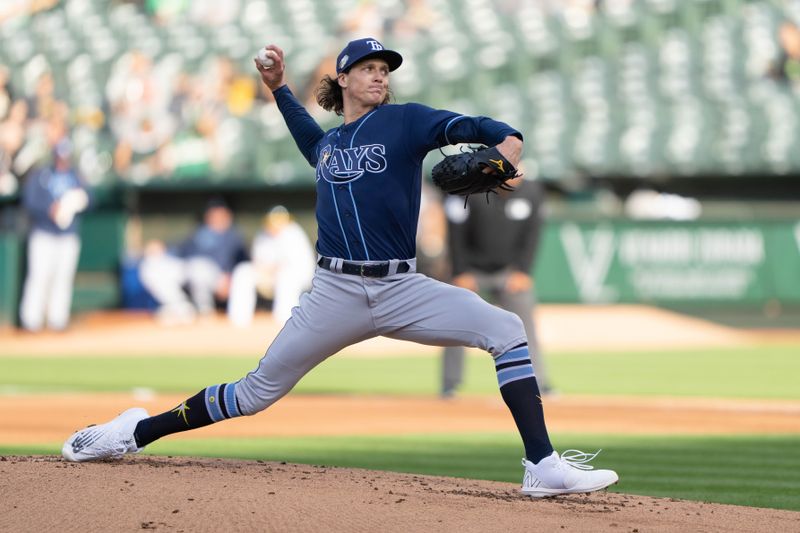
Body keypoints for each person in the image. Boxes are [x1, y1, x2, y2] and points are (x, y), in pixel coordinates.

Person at [62, 37, 618, 498]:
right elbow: (306, 133)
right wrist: (278, 87)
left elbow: (479, 126)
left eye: (384, 69)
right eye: (368, 69)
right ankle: (134, 431)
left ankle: (541, 466)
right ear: (343, 79)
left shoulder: (406, 123)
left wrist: (509, 145)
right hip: (334, 291)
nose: (379, 77)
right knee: (254, 394)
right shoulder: (327, 148)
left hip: (403, 286)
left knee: (507, 329)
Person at [440, 175, 553, 398]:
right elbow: (455, 234)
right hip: (471, 271)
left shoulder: (531, 191)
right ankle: (450, 384)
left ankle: (538, 382)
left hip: (509, 272)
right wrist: (460, 271)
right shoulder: (468, 188)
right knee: (455, 325)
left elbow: (533, 234)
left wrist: (522, 270)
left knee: (525, 325)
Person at [138, 197, 250, 325]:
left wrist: (230, 277)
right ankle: (181, 308)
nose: (215, 217)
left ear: (228, 216)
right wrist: (162, 248)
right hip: (190, 270)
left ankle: (205, 311)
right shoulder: (199, 233)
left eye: (219, 213)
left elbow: (243, 261)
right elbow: (180, 249)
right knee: (151, 265)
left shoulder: (234, 236)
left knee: (200, 268)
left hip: (217, 277)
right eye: (212, 213)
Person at [19, 137, 91, 332]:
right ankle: (30, 320)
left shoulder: (76, 176)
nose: (63, 160)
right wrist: (48, 209)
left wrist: (79, 201)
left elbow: (90, 199)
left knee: (63, 278)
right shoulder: (42, 174)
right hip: (43, 232)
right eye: (60, 156)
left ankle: (57, 320)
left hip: (67, 235)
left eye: (66, 156)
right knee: (39, 276)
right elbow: (29, 201)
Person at [250, 205, 316, 324]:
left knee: (286, 276)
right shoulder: (263, 234)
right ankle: (238, 321)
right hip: (270, 276)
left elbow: (297, 265)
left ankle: (283, 320)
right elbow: (257, 261)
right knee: (243, 272)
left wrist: (273, 268)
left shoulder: (294, 233)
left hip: (297, 277)